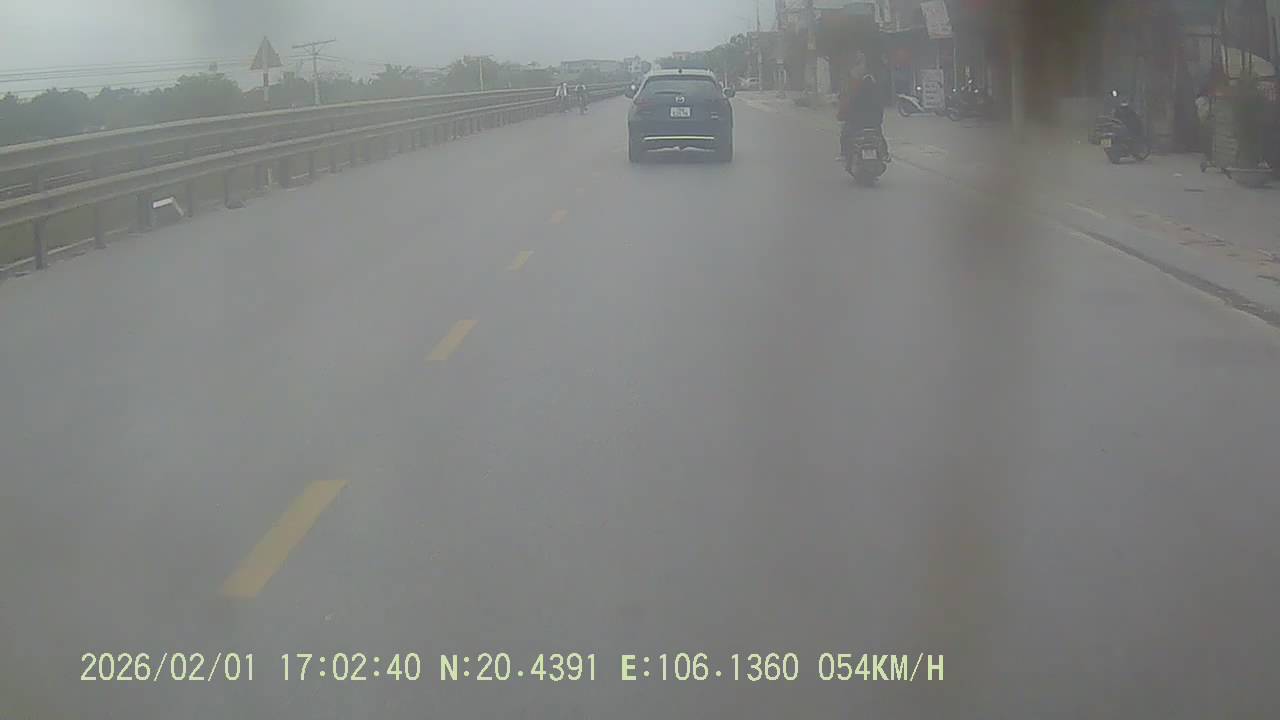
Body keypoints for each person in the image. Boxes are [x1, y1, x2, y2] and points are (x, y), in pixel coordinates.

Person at [837, 61, 889, 162]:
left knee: (845, 134)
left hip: (858, 125)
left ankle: (844, 154)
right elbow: (881, 111)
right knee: (880, 137)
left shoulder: (856, 95)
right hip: (873, 124)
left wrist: (845, 117)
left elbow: (849, 109)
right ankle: (885, 154)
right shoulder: (877, 96)